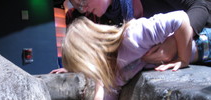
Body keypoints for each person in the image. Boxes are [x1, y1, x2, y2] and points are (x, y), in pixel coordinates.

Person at [60, 10, 211, 100]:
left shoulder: (132, 37)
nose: (88, 76)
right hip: (200, 56)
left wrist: (182, 59)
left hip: (203, 41)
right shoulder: (117, 72)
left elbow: (180, 19)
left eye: (85, 70)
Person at [64, 0, 211, 64]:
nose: (83, 9)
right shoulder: (110, 20)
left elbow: (200, 5)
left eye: (83, 1)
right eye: (77, 6)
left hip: (202, 36)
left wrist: (174, 43)